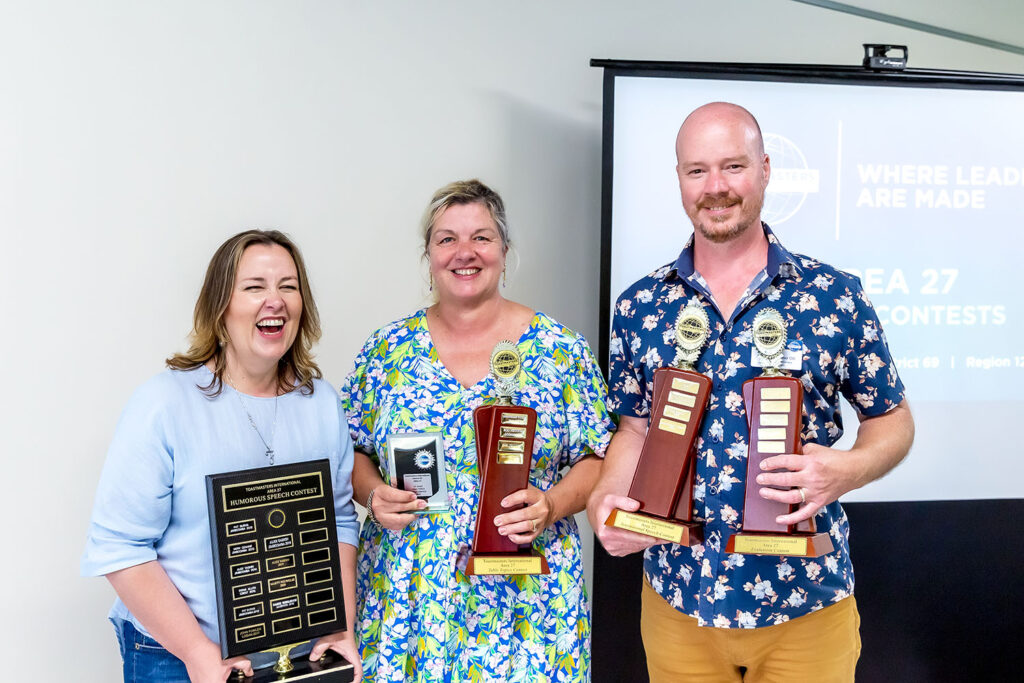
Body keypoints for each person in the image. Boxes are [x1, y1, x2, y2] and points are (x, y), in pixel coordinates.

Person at [587, 102, 914, 682]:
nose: (715, 188)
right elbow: (635, 429)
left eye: (733, 167)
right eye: (697, 171)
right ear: (680, 181)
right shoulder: (640, 306)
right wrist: (607, 499)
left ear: (765, 169)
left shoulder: (834, 294)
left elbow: (892, 420)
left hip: (806, 603)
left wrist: (848, 469)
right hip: (677, 600)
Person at [339, 179, 614, 682]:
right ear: (428, 254)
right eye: (447, 239)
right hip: (410, 599)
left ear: (505, 251)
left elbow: (600, 457)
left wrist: (551, 504)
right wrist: (374, 493)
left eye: (481, 237)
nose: (464, 253)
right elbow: (351, 452)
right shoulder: (385, 351)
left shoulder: (559, 350)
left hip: (528, 605)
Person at [81, 230, 362, 683]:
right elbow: (118, 548)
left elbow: (339, 521)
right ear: (221, 306)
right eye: (254, 287)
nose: (275, 300)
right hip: (177, 658)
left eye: (288, 286)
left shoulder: (322, 403)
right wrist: (197, 652)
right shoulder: (164, 403)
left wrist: (339, 627)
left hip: (297, 654)